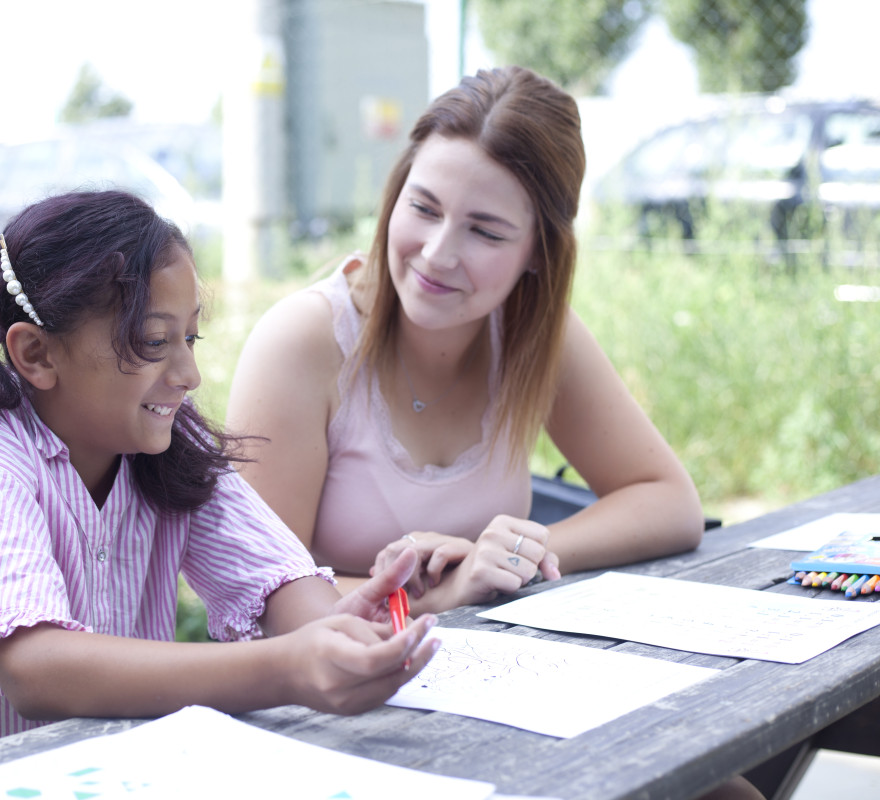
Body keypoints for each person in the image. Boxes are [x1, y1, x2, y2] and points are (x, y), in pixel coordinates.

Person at [0, 190, 440, 773]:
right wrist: (284, 667)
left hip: (83, 764)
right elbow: (37, 671)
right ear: (36, 354)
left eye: (190, 337)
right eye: (154, 342)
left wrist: (339, 629)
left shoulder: (165, 441)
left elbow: (278, 583)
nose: (188, 373)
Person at [225, 66, 707, 615]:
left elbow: (670, 503)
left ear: (538, 255)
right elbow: (262, 599)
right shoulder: (302, 342)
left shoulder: (531, 331)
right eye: (424, 208)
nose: (436, 253)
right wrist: (440, 596)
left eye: (485, 231)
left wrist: (510, 555)